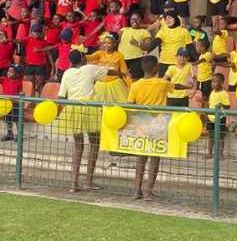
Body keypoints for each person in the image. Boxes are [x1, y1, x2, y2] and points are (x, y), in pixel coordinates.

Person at [57, 49, 117, 192]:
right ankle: (88, 181)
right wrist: (121, 73)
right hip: (89, 108)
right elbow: (109, 72)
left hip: (73, 108)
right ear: (83, 58)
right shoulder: (90, 68)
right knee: (94, 144)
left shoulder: (66, 73)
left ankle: (74, 183)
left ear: (71, 61)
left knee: (78, 146)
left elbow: (61, 96)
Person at [127, 56, 171, 201]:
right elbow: (176, 87)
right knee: (155, 159)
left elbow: (130, 105)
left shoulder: (135, 85)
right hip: (158, 124)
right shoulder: (163, 83)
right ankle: (148, 191)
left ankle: (136, 190)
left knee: (141, 158)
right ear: (155, 68)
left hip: (141, 124)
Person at [207, 72, 230, 159]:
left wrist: (221, 105)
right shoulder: (212, 92)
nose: (212, 84)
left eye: (215, 82)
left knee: (220, 137)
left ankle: (220, 155)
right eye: (212, 81)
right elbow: (211, 103)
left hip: (220, 117)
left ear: (221, 83)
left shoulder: (223, 93)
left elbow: (228, 106)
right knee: (210, 136)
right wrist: (202, 102)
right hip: (210, 118)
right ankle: (209, 153)